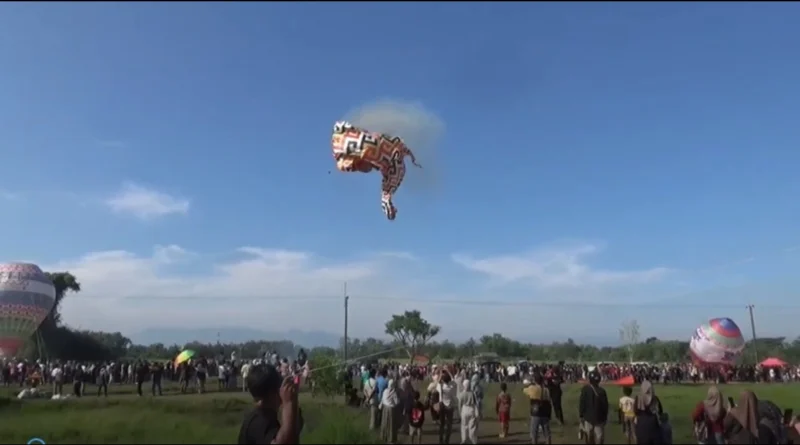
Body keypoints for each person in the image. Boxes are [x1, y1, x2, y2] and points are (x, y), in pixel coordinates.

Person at [237, 363, 302, 445]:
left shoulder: (262, 416)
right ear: (273, 392)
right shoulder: (259, 421)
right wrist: (288, 404)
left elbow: (293, 434)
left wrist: (293, 403)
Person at [578, 371, 608, 444]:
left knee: (588, 437)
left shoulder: (585, 389)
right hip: (599, 419)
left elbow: (582, 403)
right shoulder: (602, 391)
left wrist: (581, 415)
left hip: (588, 418)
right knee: (599, 438)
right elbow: (605, 406)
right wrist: (605, 418)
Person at [524, 375, 553, 445]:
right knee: (547, 434)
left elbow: (524, 390)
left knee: (534, 434)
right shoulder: (546, 390)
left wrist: (530, 384)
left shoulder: (532, 388)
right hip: (545, 413)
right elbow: (549, 400)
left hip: (535, 412)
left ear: (535, 381)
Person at [634, 380, 663, 445]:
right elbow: (660, 411)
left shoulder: (638, 398)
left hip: (641, 423)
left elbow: (635, 411)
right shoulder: (654, 398)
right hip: (653, 424)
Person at [437, 370, 457, 444]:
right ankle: (447, 440)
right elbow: (453, 379)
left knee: (442, 425)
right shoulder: (452, 386)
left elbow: (438, 382)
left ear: (443, 380)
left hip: (442, 405)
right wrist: (448, 371)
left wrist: (441, 374)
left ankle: (441, 440)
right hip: (450, 406)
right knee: (449, 425)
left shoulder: (441, 386)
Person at [458, 379, 479, 444]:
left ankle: (464, 439)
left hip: (464, 409)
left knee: (464, 426)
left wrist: (460, 413)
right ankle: (473, 440)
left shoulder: (461, 394)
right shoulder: (472, 393)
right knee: (472, 427)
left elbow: (459, 405)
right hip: (471, 409)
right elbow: (476, 403)